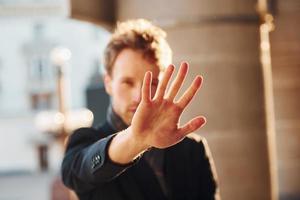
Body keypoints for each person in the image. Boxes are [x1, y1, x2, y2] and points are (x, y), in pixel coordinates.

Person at [61, 19, 219, 200]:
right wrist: (135, 140)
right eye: (127, 82)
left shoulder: (192, 149)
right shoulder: (85, 141)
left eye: (151, 83)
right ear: (108, 83)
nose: (139, 97)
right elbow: (76, 173)